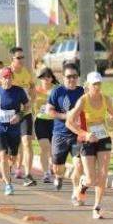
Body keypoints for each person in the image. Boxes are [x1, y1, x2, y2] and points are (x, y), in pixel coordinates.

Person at [66, 72, 113, 220]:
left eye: (99, 84)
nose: (97, 87)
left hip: (103, 138)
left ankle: (97, 207)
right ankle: (83, 184)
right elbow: (69, 122)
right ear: (88, 85)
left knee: (102, 174)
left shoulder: (106, 99)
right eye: (94, 84)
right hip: (88, 140)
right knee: (90, 179)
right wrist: (85, 134)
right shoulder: (83, 101)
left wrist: (112, 119)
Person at [0, 67, 29, 195]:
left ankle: (6, 170)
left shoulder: (19, 91)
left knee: (13, 157)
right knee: (3, 155)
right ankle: (8, 184)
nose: (7, 80)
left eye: (9, 77)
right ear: (0, 78)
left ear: (12, 78)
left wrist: (19, 116)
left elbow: (27, 106)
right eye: (5, 77)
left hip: (14, 128)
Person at [47, 63, 85, 204]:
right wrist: (66, 116)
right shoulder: (57, 92)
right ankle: (59, 177)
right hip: (60, 134)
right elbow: (49, 111)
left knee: (79, 165)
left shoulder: (82, 92)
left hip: (77, 134)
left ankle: (76, 193)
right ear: (63, 78)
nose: (72, 79)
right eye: (69, 76)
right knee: (58, 167)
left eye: (75, 76)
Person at [10, 47, 37, 187]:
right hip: (10, 115)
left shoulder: (27, 72)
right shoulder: (8, 73)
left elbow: (32, 89)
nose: (21, 60)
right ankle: (14, 166)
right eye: (18, 58)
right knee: (15, 146)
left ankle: (28, 174)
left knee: (27, 142)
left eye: (23, 57)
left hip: (25, 113)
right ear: (12, 59)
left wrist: (31, 103)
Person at [35, 67, 59, 183]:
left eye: (48, 77)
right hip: (40, 122)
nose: (46, 79)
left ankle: (52, 165)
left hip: (54, 122)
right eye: (44, 77)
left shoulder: (56, 90)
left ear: (52, 78)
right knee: (45, 147)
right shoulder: (36, 90)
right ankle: (46, 173)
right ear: (40, 78)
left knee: (53, 149)